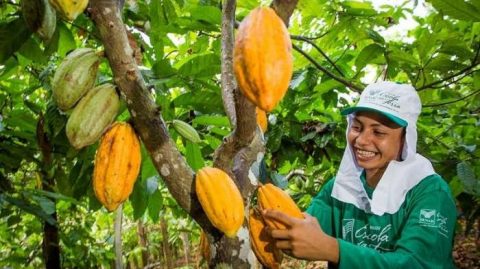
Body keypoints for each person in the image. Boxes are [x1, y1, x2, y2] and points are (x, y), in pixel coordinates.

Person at [263, 81, 457, 268]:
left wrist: (333, 250)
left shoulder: (430, 192)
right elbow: (299, 230)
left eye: (378, 132)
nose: (362, 140)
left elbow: (417, 264)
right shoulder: (341, 188)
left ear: (405, 138)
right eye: (357, 127)